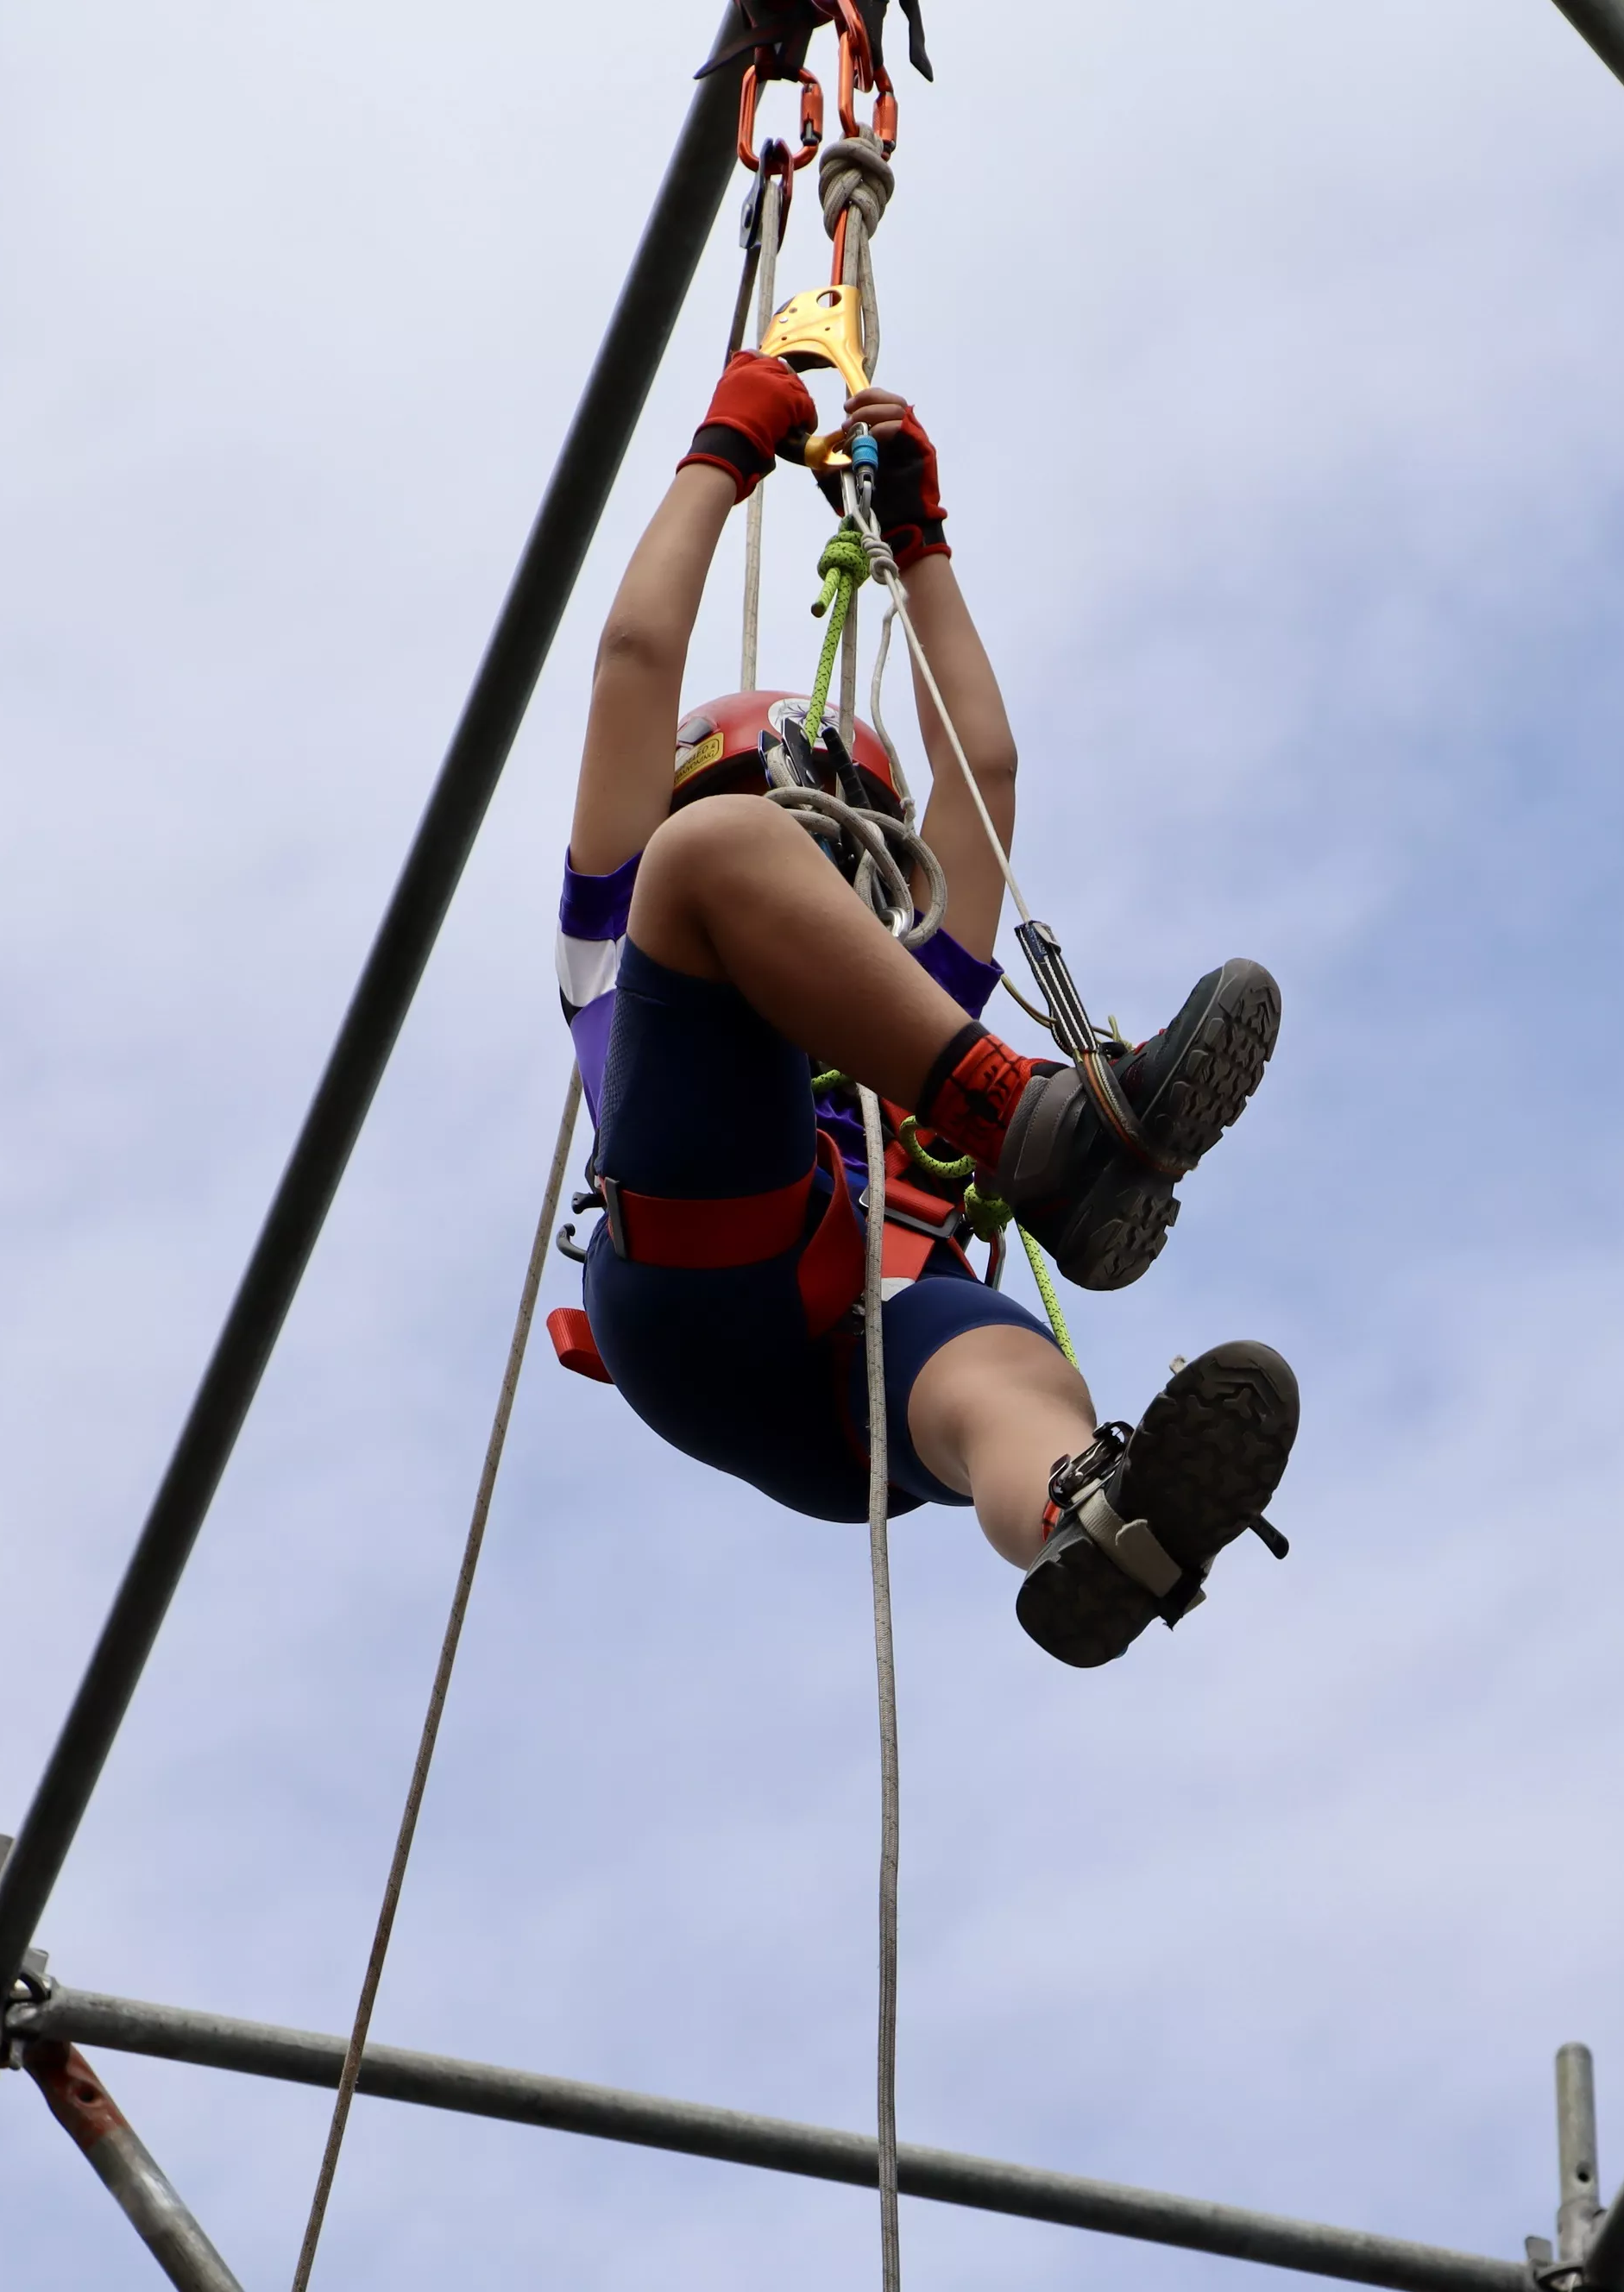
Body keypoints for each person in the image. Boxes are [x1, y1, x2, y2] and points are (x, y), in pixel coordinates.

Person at [549, 349, 1297, 1668]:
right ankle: (1036, 1133)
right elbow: (634, 655)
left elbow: (983, 768)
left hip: (859, 1384)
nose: (821, 843)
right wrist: (719, 459)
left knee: (1011, 1381)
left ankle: (1101, 1524)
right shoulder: (633, 923)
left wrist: (924, 547)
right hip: (708, 1279)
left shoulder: (915, 993)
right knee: (715, 864)